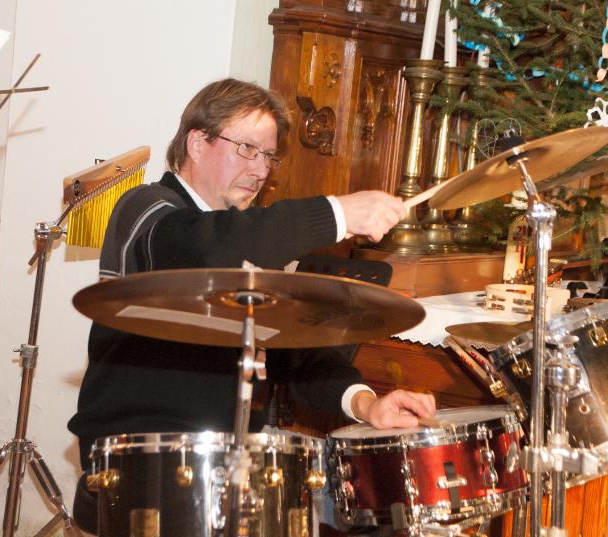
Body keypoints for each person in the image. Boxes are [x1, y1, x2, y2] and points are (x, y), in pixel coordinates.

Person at [67, 78, 436, 531]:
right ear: (197, 143)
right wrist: (339, 213)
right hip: (141, 456)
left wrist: (365, 403)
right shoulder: (146, 210)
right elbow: (205, 248)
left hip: (231, 457)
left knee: (382, 501)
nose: (261, 170)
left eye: (269, 156)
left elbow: (296, 351)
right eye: (247, 149)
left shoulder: (240, 241)